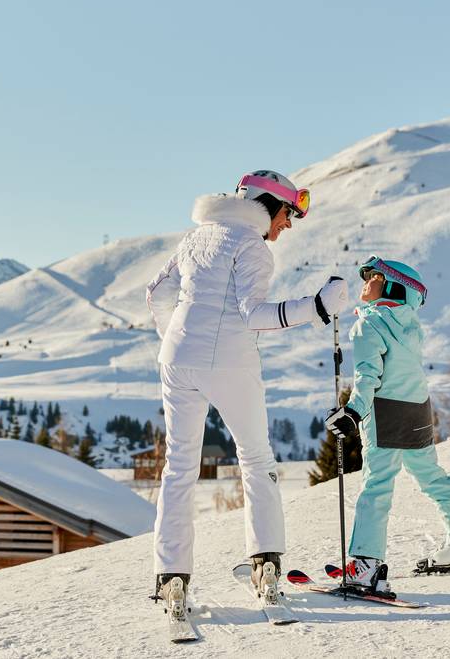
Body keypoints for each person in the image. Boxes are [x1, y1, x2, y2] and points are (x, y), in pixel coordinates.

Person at [146, 169, 348, 604]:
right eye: (288, 212)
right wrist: (317, 307)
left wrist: (176, 338)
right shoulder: (251, 246)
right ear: (266, 205)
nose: (288, 223)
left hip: (177, 361)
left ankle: (171, 577)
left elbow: (156, 293)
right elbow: (253, 314)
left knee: (179, 466)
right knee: (256, 459)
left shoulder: (195, 238)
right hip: (230, 362)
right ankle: (266, 566)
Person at [324, 257, 450, 595]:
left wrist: (353, 412)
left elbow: (368, 376)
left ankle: (366, 565)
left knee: (376, 485)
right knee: (431, 476)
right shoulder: (410, 325)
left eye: (373, 276)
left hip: (386, 413)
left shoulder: (370, 324)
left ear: (393, 287)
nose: (365, 281)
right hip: (418, 411)